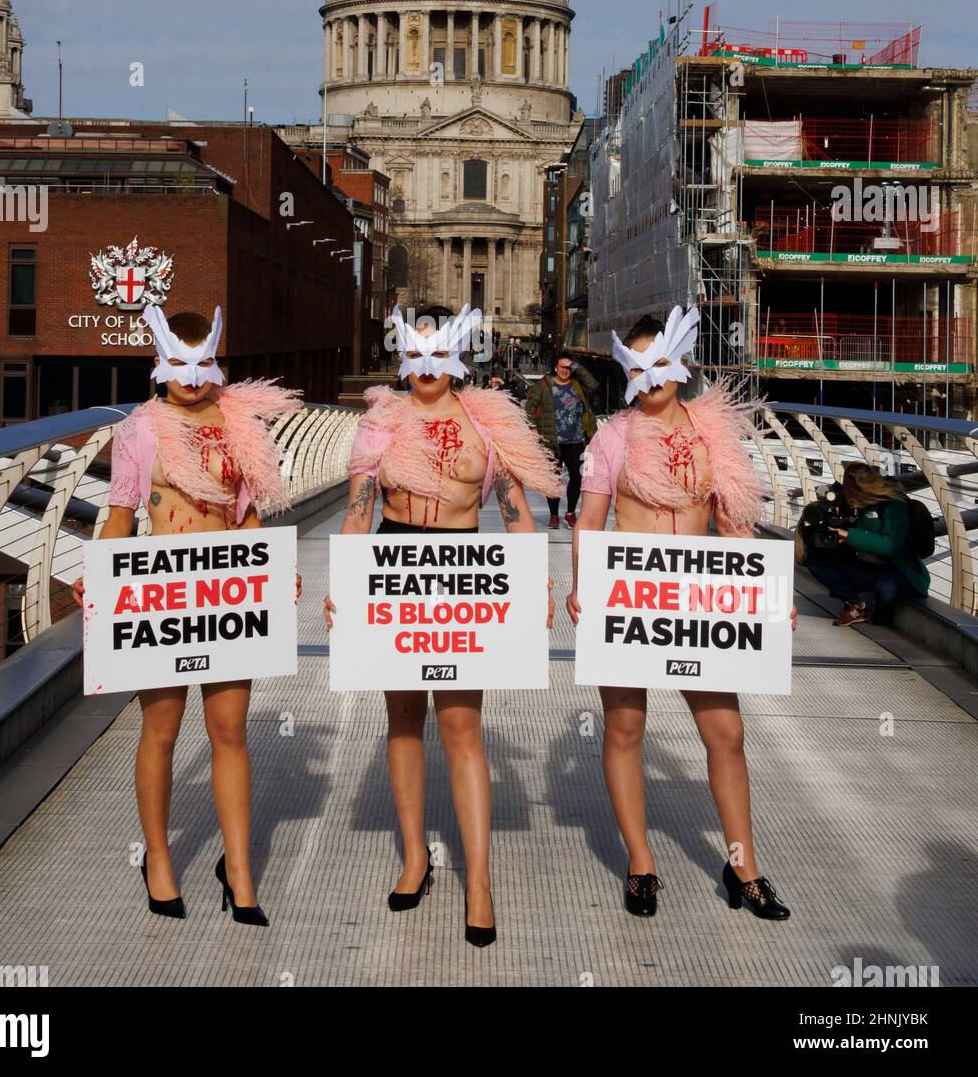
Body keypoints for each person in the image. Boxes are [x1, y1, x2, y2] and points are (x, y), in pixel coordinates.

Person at [324, 302, 562, 948]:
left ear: (458, 356)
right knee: (402, 720)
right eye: (416, 352)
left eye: (439, 352)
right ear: (403, 356)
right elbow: (357, 508)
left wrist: (536, 583)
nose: (427, 367)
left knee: (461, 725)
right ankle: (413, 857)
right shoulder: (380, 426)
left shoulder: (488, 424)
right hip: (394, 567)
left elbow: (515, 512)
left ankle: (478, 880)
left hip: (463, 570)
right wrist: (341, 583)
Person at [72, 305, 302, 925]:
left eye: (202, 365)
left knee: (230, 731)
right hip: (165, 594)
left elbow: (249, 514)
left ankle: (240, 870)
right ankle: (158, 858)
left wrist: (273, 570)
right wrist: (97, 576)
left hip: (228, 590)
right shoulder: (140, 430)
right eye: (178, 364)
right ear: (158, 362)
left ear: (218, 362)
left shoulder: (241, 427)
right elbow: (122, 514)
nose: (191, 378)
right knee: (164, 731)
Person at [567, 307, 798, 922]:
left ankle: (743, 865)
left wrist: (770, 597)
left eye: (663, 361)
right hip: (630, 597)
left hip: (698, 598)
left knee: (726, 733)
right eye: (640, 366)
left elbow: (735, 524)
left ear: (682, 362)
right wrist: (579, 587)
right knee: (623, 729)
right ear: (626, 372)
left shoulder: (711, 433)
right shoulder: (613, 437)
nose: (653, 377)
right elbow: (589, 522)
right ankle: (641, 863)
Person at [801, 462, 930, 627]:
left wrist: (849, 535)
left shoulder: (894, 504)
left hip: (899, 569)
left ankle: (883, 610)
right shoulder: (850, 502)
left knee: (886, 590)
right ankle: (854, 606)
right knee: (816, 560)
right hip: (868, 565)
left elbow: (891, 546)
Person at [526, 351, 598, 530]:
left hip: (575, 439)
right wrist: (533, 428)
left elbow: (594, 385)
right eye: (562, 366)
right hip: (552, 440)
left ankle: (570, 513)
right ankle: (553, 515)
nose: (566, 370)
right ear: (555, 367)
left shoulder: (577, 384)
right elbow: (530, 406)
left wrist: (578, 368)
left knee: (576, 476)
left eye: (569, 367)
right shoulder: (544, 384)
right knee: (554, 479)